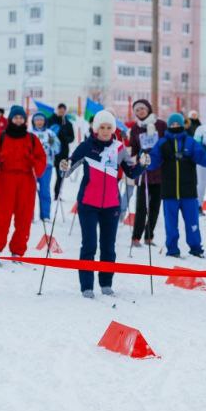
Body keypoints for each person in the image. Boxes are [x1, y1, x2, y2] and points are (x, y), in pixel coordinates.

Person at [62, 110, 146, 298]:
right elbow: (68, 169)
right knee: (89, 244)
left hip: (111, 205)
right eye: (102, 127)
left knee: (108, 246)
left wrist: (142, 164)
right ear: (96, 128)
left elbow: (131, 172)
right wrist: (64, 166)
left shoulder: (119, 148)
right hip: (88, 203)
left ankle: (106, 283)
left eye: (109, 127)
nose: (106, 131)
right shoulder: (86, 147)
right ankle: (87, 286)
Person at [146, 112, 206, 258]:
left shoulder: (190, 142)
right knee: (171, 225)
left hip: (188, 190)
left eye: (177, 124)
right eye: (172, 124)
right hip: (169, 191)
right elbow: (153, 162)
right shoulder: (163, 142)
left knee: (192, 222)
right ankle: (172, 249)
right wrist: (146, 158)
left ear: (182, 126)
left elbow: (202, 157)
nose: (175, 126)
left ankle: (196, 248)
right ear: (169, 126)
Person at [0, 106, 46, 264]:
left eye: (21, 117)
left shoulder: (32, 138)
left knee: (24, 218)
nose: (18, 120)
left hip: (26, 181)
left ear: (25, 120)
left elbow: (41, 158)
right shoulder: (1, 137)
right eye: (15, 117)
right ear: (11, 119)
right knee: (1, 217)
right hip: (5, 179)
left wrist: (34, 164)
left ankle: (17, 251)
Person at [128, 99, 166, 247]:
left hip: (159, 171)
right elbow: (134, 148)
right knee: (141, 206)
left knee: (155, 206)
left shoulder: (160, 125)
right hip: (144, 172)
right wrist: (138, 157)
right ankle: (136, 237)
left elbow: (166, 144)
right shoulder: (135, 128)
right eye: (137, 110)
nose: (140, 112)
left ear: (148, 109)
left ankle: (149, 236)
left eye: (142, 109)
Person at [29, 112, 57, 221]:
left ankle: (45, 215)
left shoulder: (50, 133)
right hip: (31, 166)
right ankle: (29, 215)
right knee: (30, 191)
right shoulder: (29, 133)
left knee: (45, 190)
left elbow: (57, 148)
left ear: (44, 121)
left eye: (41, 120)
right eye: (37, 120)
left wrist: (52, 144)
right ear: (34, 121)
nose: (39, 122)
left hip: (47, 165)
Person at [51, 103, 75, 198]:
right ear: (57, 110)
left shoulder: (68, 124)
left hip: (63, 152)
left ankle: (57, 193)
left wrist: (65, 138)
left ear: (65, 111)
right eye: (59, 109)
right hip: (52, 153)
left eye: (63, 109)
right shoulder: (51, 120)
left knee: (60, 174)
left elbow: (72, 138)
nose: (61, 111)